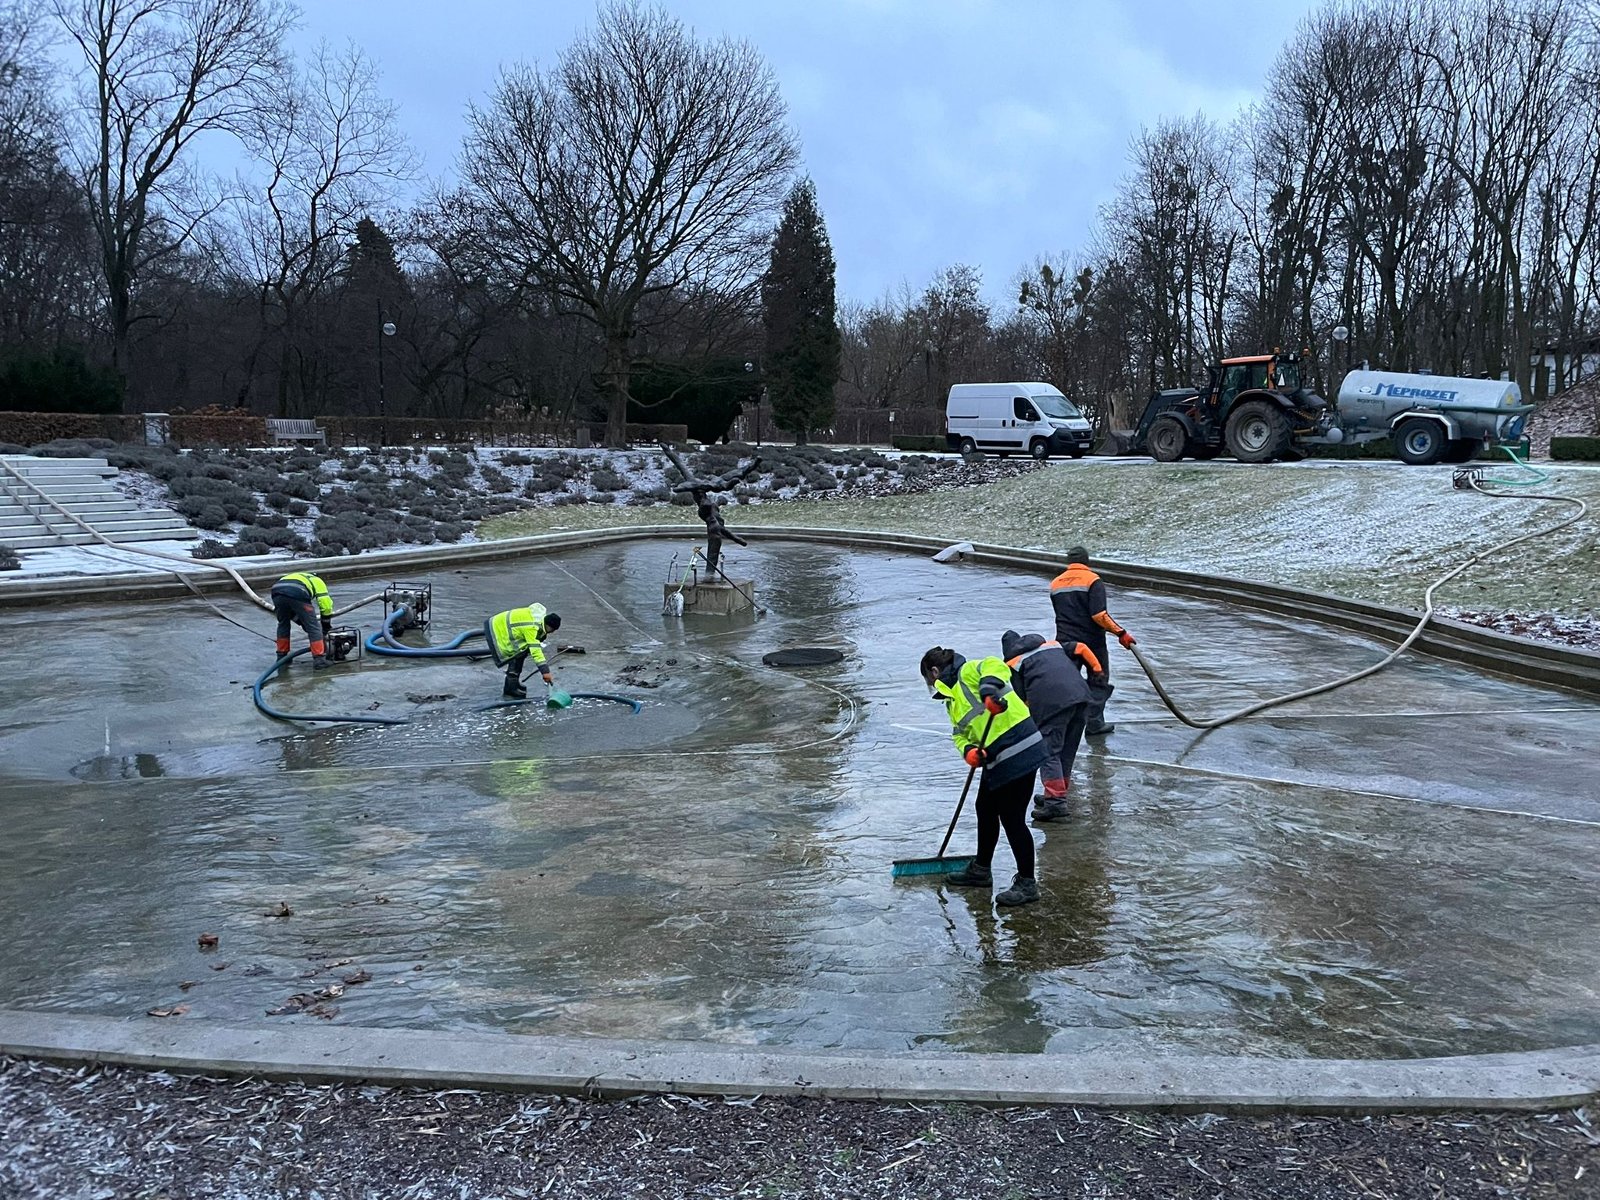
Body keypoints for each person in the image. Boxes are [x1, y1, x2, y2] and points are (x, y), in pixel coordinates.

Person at [918, 645, 1049, 906]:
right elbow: (959, 733)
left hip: (1019, 747)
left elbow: (996, 665)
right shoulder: (952, 700)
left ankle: (1027, 883)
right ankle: (980, 869)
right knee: (985, 807)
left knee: (1012, 818)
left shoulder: (969, 670)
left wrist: (990, 690)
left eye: (928, 679)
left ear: (935, 671)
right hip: (996, 757)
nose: (930, 685)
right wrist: (968, 750)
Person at [1001, 630, 1104, 822]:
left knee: (1048, 753)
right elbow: (1081, 648)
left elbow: (1023, 702)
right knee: (1066, 750)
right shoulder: (1051, 645)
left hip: (1053, 705)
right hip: (1081, 697)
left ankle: (1056, 803)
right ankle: (1056, 794)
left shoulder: (1013, 664)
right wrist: (1097, 669)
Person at [1048, 546, 1135, 736]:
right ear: (1087, 561)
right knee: (1098, 680)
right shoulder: (1092, 580)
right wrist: (1121, 633)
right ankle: (1094, 723)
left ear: (1069, 562)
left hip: (1065, 642)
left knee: (1068, 682)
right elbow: (1099, 615)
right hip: (1091, 642)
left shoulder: (1055, 584)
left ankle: (1062, 724)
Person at [484, 603, 562, 699]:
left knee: (522, 652)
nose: (552, 632)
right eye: (552, 630)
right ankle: (510, 689)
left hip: (499, 624)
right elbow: (536, 651)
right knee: (517, 654)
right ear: (548, 625)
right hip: (498, 631)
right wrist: (545, 671)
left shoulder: (539, 618)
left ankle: (514, 684)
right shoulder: (532, 627)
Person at [271, 570, 335, 668]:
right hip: (297, 591)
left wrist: (302, 622)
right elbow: (326, 605)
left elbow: (291, 613)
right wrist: (326, 625)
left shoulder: (294, 576)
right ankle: (319, 659)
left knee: (283, 624)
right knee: (313, 627)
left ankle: (282, 657)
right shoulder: (317, 580)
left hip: (277, 590)